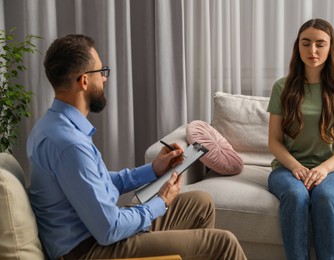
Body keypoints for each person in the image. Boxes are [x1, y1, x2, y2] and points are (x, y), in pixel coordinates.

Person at [27, 34, 247, 260]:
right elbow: (109, 229)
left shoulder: (51, 126)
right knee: (223, 243)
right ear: (84, 81)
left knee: (201, 204)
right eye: (102, 72)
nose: (105, 79)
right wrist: (161, 202)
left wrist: (154, 170)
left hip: (95, 234)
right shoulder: (69, 144)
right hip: (90, 250)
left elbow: (96, 183)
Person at [267, 18, 334, 260]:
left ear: (331, 47)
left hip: (333, 170)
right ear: (298, 46)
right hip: (287, 169)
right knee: (296, 195)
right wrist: (296, 167)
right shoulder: (282, 87)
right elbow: (274, 141)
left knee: (326, 196)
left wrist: (324, 169)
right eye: (305, 43)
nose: (313, 51)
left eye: (320, 44)